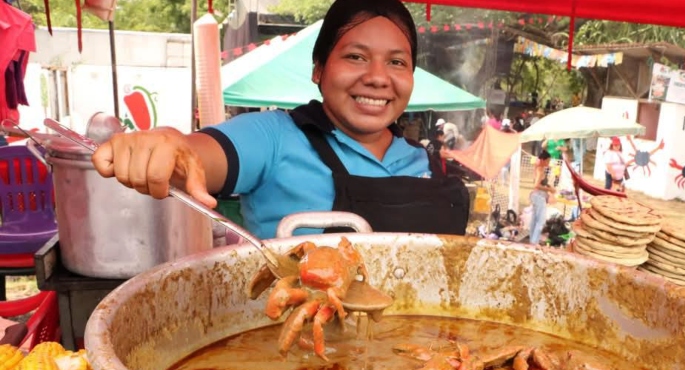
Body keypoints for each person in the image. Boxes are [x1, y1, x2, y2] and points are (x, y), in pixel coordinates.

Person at [91, 0, 470, 239]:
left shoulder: (422, 159)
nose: (377, 76)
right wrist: (170, 145)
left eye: (396, 62)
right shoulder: (273, 136)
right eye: (355, 56)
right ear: (318, 70)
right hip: (297, 358)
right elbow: (199, 156)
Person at [529, 149, 555, 245]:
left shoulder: (538, 167)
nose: (549, 163)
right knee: (540, 221)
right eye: (548, 160)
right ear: (543, 160)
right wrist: (549, 190)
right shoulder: (540, 170)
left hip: (535, 196)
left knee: (534, 220)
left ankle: (532, 240)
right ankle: (534, 242)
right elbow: (536, 185)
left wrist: (547, 187)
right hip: (538, 196)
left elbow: (539, 184)